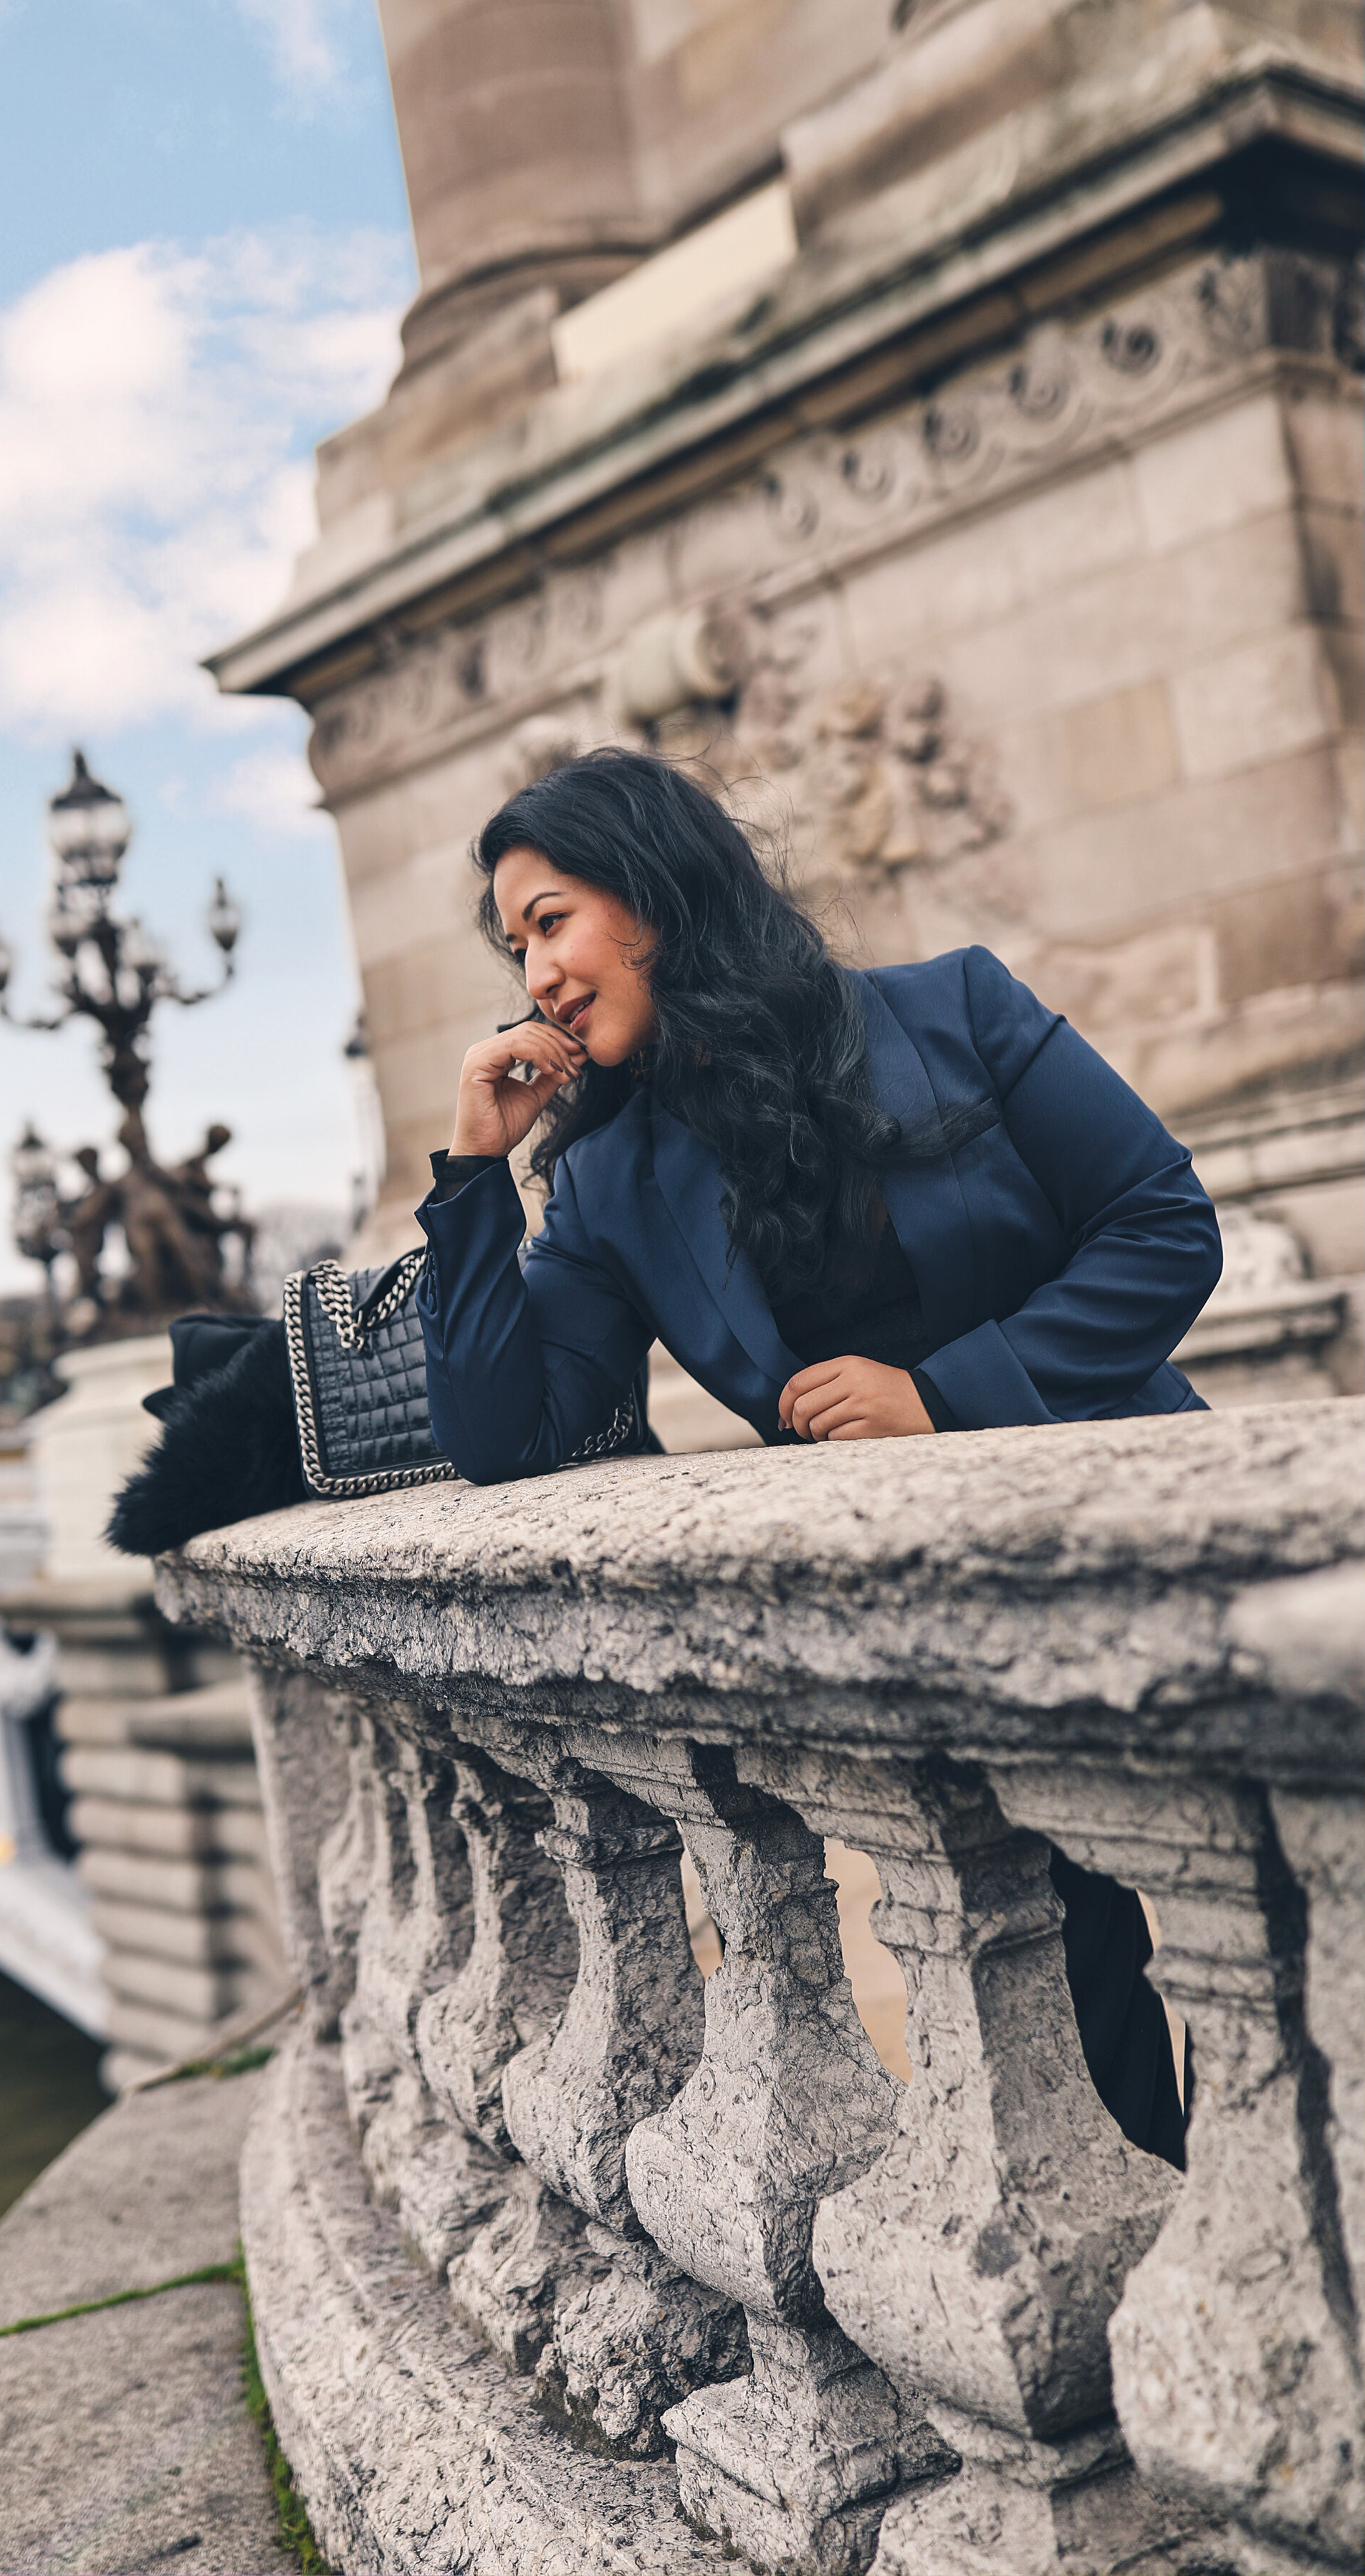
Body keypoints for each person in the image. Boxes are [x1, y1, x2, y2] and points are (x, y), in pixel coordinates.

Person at [416, 749, 1219, 2168]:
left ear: (653, 893)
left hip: (1129, 1560)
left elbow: (1160, 1227)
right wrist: (475, 1171)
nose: (533, 972)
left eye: (549, 921)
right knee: (1076, 1993)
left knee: (1244, 1941)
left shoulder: (952, 1008)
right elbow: (509, 1437)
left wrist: (939, 1395)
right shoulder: (603, 1179)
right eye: (514, 946)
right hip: (933, 1631)